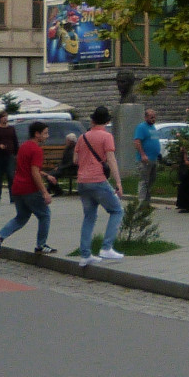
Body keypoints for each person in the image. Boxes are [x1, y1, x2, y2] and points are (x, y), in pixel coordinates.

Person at [0, 121, 55, 254]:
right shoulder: (36, 150)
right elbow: (34, 172)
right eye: (45, 133)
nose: (47, 136)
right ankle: (41, 245)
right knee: (45, 215)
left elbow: (25, 167)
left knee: (21, 217)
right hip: (30, 189)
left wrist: (46, 175)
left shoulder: (24, 146)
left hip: (17, 188)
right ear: (37, 134)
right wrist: (45, 192)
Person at [71, 106, 125, 264]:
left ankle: (85, 255)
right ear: (107, 121)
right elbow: (111, 159)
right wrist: (119, 182)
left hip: (82, 181)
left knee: (89, 217)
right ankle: (107, 247)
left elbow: (75, 160)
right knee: (117, 210)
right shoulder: (106, 136)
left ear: (93, 120)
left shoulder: (83, 137)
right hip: (98, 180)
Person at [133, 107, 163, 209]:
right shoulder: (141, 127)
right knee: (144, 181)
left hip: (154, 158)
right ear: (146, 117)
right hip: (145, 160)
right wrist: (143, 154)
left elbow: (153, 142)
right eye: (151, 117)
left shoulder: (153, 128)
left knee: (151, 180)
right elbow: (137, 142)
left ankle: (147, 203)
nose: (153, 119)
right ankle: (141, 203)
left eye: (154, 117)